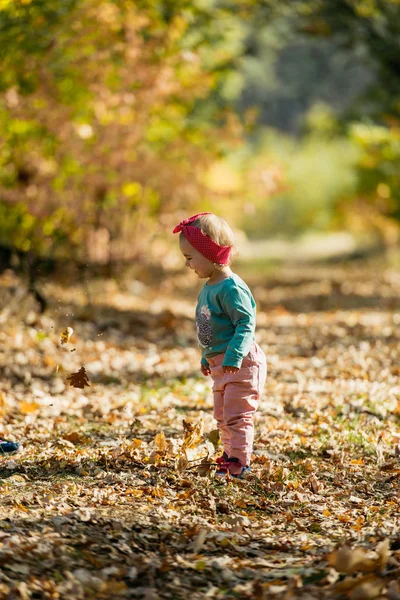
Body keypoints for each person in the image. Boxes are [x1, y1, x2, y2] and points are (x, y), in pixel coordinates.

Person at [173, 212, 267, 478]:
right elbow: (213, 327)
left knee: (238, 416)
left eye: (190, 258)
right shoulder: (209, 287)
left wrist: (234, 356)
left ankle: (239, 462)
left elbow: (245, 323)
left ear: (210, 251)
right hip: (220, 364)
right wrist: (207, 356)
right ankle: (229, 454)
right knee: (222, 415)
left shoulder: (231, 288)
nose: (188, 265)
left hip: (241, 363)